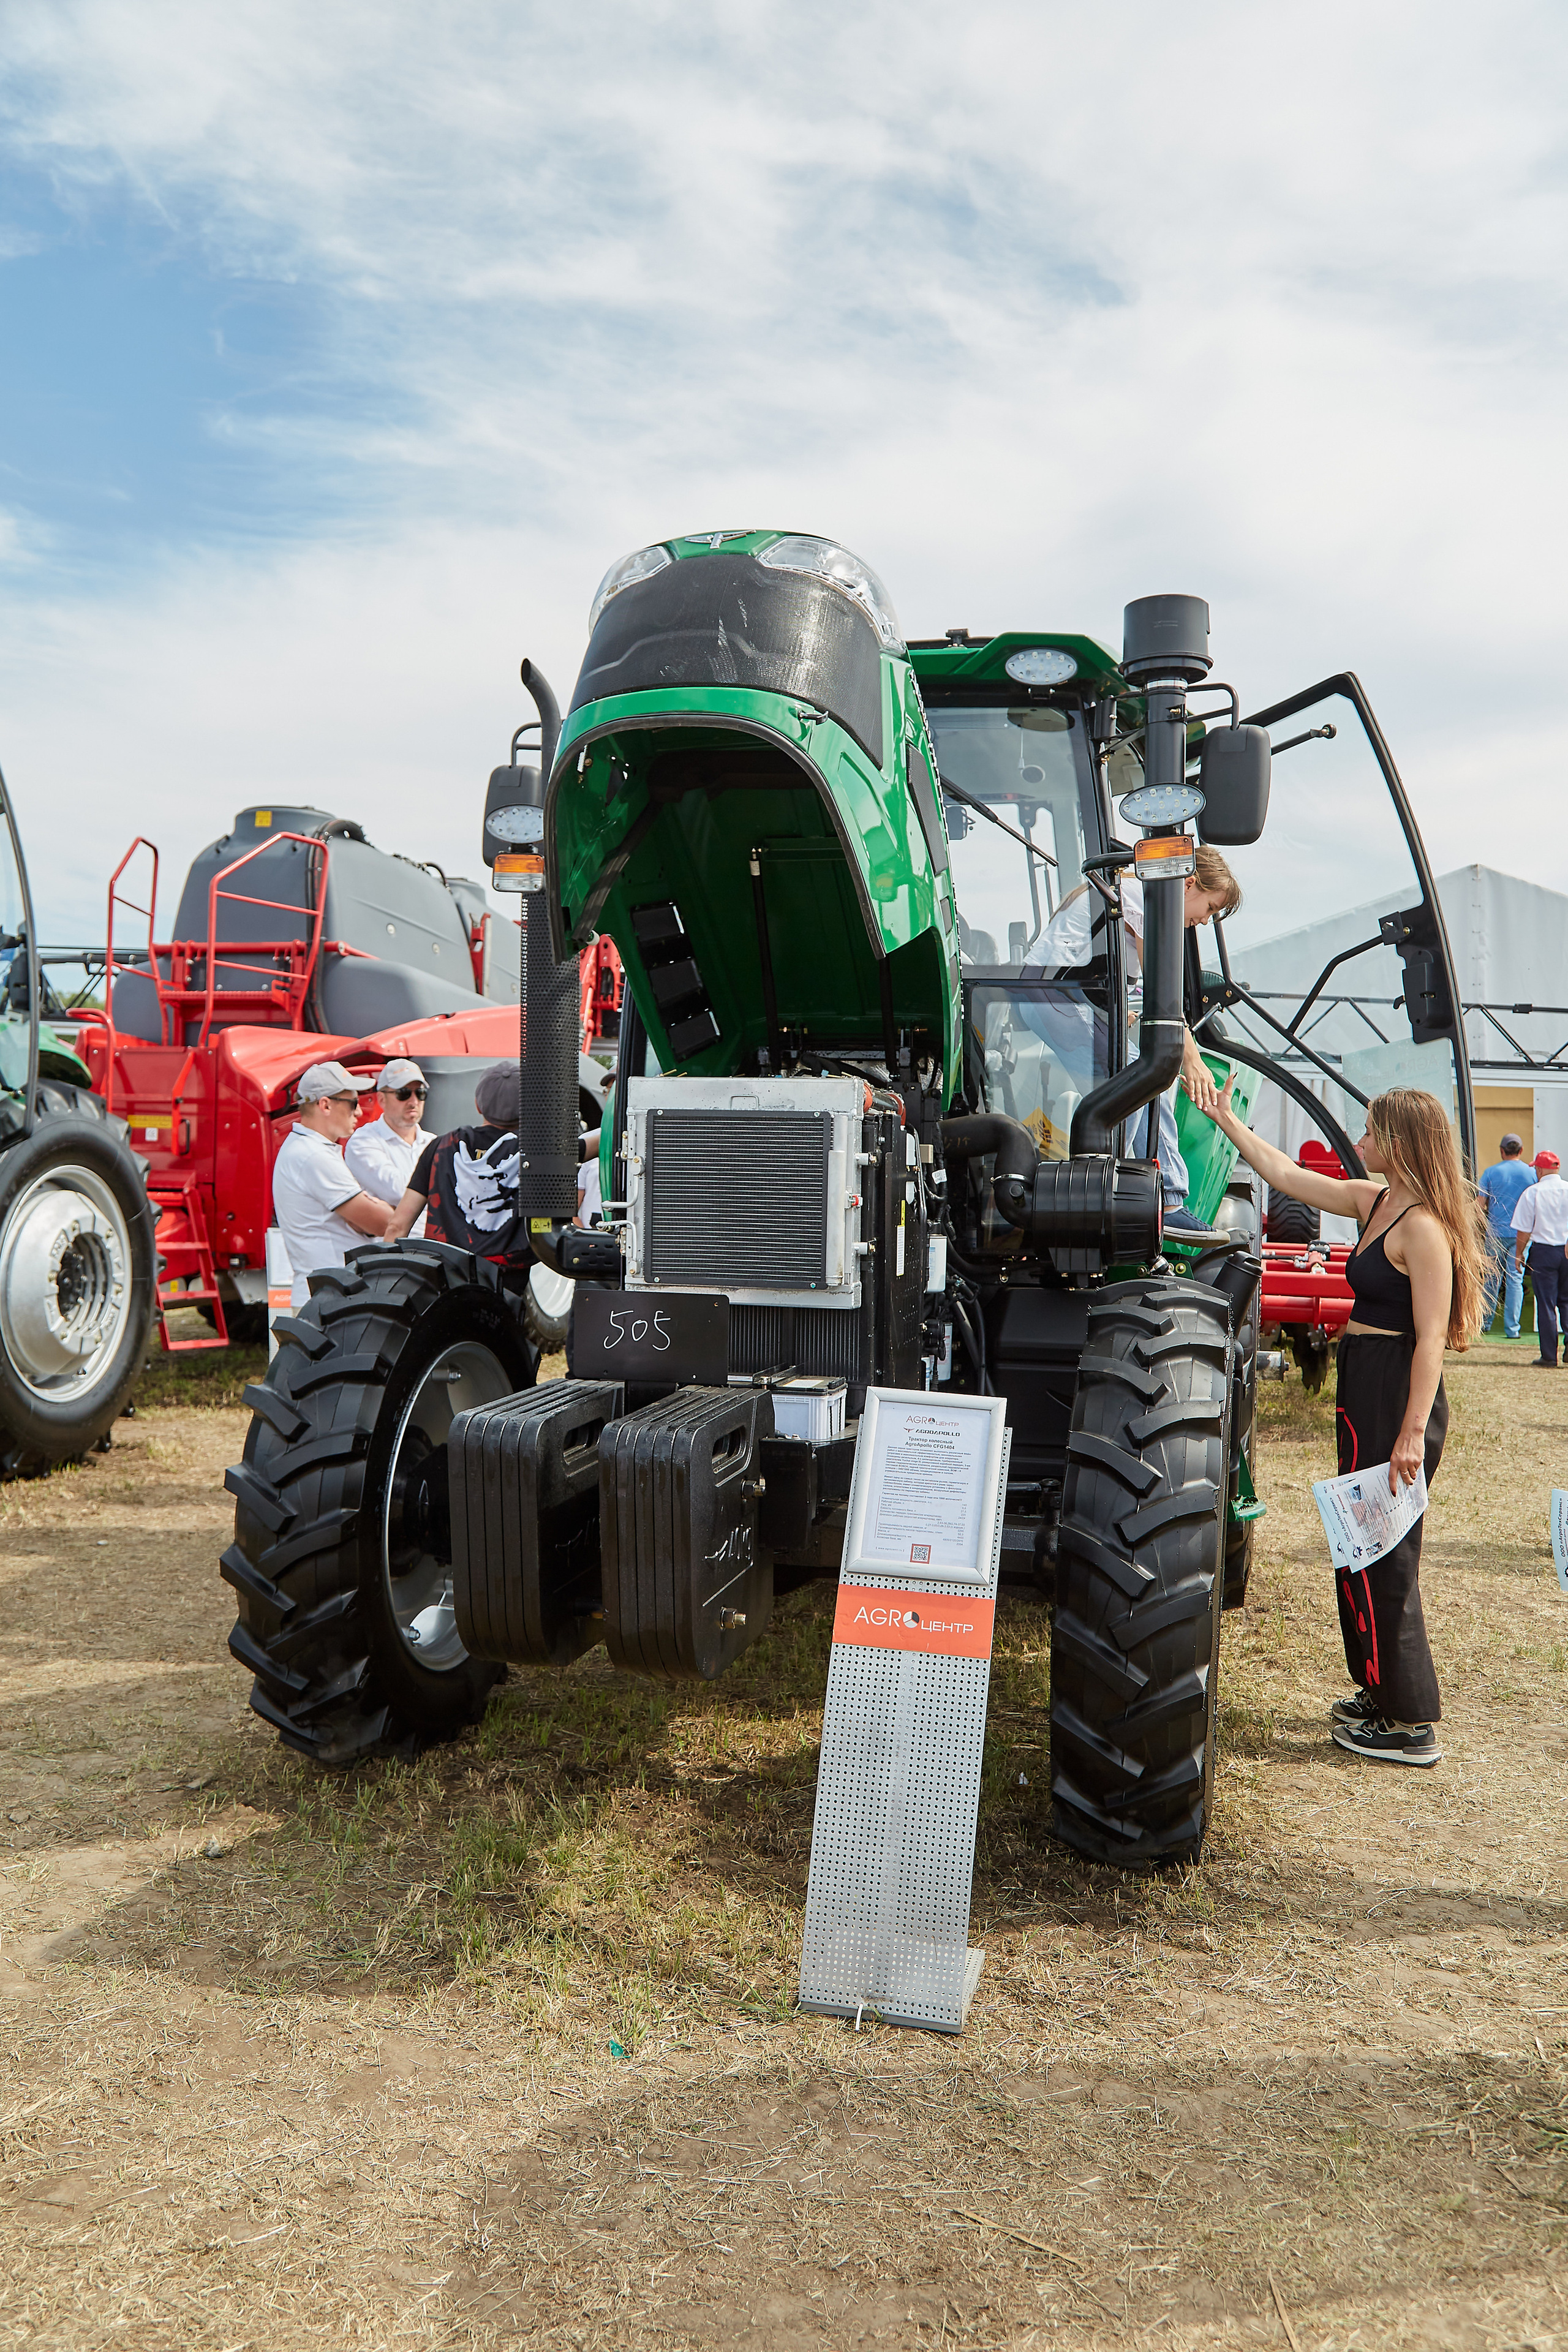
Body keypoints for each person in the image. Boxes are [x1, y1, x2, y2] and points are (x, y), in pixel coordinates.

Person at [1199, 1080, 1486, 1767]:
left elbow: (1428, 1341)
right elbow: (1287, 1175)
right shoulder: (1378, 1203)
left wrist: (1412, 1433)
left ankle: (1410, 1720)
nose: (1358, 1142)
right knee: (1357, 1543)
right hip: (1364, 1385)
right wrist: (1225, 1120)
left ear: (1399, 1142)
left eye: (1369, 1132)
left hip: (1394, 1396)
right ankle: (1377, 1688)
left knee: (1387, 1553)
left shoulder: (1422, 1228)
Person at [1023, 841, 1241, 1227]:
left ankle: (1154, 1194)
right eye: (1210, 908)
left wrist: (1126, 1012)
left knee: (1149, 1079)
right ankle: (1138, 1197)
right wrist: (1189, 1056)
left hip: (1064, 998)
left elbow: (1139, 991)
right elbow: (1162, 993)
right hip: (1050, 999)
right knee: (1134, 1086)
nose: (1206, 921)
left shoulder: (1133, 893)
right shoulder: (1142, 892)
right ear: (1188, 884)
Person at [270, 1061, 393, 1311]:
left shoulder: (307, 1149)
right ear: (325, 1105)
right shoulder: (314, 1156)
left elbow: (366, 1220)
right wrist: (381, 1208)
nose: (359, 1113)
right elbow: (383, 1223)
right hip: (332, 1301)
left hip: (327, 1296)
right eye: (353, 1103)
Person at [385, 1060, 525, 1254]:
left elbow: (397, 1226)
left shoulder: (441, 1147)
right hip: (510, 1279)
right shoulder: (539, 1153)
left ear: (478, 1105)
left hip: (446, 1277)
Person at [344, 1058, 435, 1238]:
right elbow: (399, 1190)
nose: (414, 1101)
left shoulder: (432, 1142)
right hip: (389, 1256)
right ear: (381, 1099)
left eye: (420, 1093)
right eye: (403, 1093)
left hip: (433, 1249)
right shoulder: (363, 1141)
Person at [1512, 1149, 1568, 1368]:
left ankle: (1548, 1355)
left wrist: (1519, 1254)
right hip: (1566, 1249)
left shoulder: (1533, 1192)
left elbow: (1524, 1230)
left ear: (1541, 1169)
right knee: (1566, 1301)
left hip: (1544, 1251)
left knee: (1546, 1304)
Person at [1477, 1132, 1534, 1338]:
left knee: (1491, 1280)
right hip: (1522, 1234)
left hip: (1495, 1233)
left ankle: (1485, 1323)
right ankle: (1513, 1329)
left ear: (1502, 1151)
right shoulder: (1532, 1174)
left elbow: (1480, 1205)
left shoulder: (1490, 1172)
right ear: (1521, 1151)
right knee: (1515, 1280)